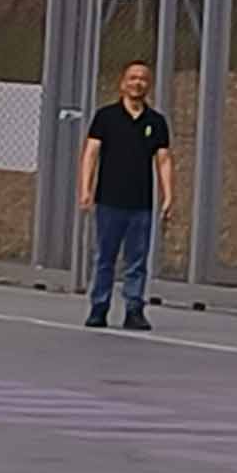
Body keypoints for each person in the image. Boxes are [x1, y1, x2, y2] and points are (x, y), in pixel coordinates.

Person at [77, 57, 176, 331]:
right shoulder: (106, 117)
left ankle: (134, 309)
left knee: (137, 260)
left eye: (143, 79)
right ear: (122, 83)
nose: (137, 83)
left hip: (140, 203)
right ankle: (99, 307)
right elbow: (91, 153)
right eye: (133, 78)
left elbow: (164, 160)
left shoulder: (156, 122)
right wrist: (85, 188)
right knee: (105, 257)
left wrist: (168, 195)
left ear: (149, 85)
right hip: (109, 200)